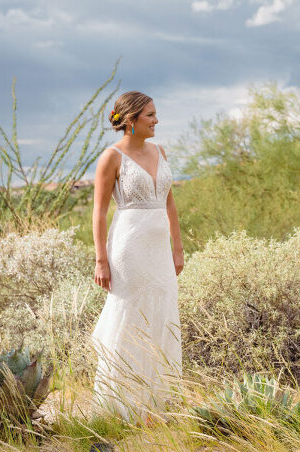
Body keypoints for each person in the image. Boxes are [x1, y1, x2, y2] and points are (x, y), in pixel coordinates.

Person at [90, 91, 184, 425]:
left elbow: (170, 203)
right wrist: (101, 259)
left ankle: (157, 404)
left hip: (160, 250)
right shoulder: (111, 157)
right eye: (150, 115)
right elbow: (99, 212)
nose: (157, 120)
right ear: (130, 120)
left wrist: (177, 246)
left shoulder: (160, 151)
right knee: (130, 318)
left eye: (156, 115)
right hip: (128, 247)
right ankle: (121, 405)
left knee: (162, 315)